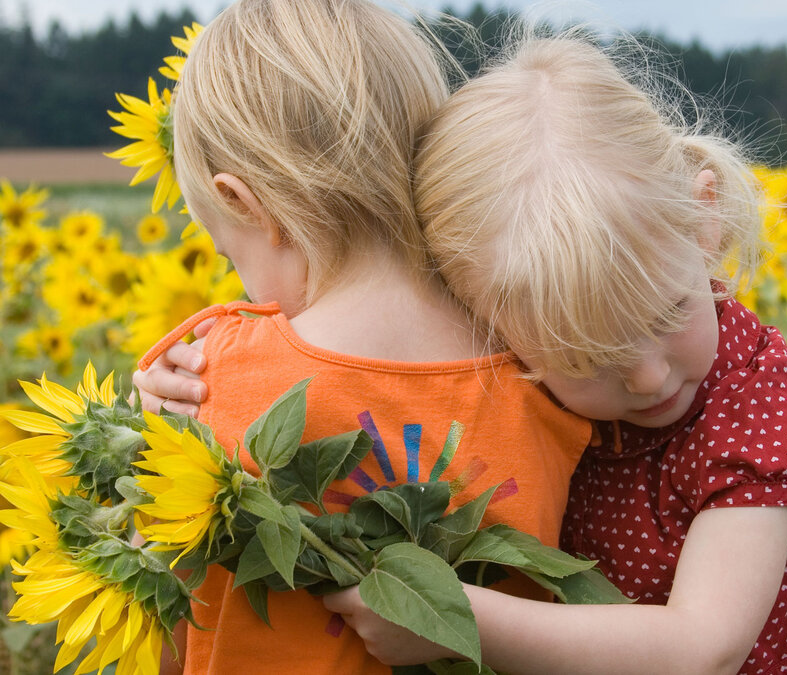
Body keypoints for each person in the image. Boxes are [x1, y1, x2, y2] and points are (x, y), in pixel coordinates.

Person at [140, 32, 787, 675]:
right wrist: (175, 403)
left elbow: (703, 648)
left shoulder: (757, 409)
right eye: (585, 356)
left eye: (667, 311)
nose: (647, 375)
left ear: (703, 223)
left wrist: (451, 618)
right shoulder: (508, 346)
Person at [135, 3, 592, 674]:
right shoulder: (548, 364)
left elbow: (165, 637)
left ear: (242, 203)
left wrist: (162, 451)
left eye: (227, 251)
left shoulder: (205, 380)